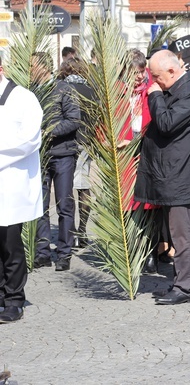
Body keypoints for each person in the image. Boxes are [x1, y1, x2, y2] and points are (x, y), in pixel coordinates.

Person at [134, 50, 190, 305]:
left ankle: (187, 287)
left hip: (181, 175)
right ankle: (180, 282)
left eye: (157, 77)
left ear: (172, 71)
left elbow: (166, 123)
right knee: (178, 233)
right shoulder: (179, 88)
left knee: (183, 234)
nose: (154, 82)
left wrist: (154, 94)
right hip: (172, 174)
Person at [0, 55, 44, 323]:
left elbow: (29, 139)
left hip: (12, 184)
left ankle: (14, 298)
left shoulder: (24, 98)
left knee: (10, 244)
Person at [35, 53, 81, 272]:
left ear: (43, 68)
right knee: (40, 205)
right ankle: (42, 252)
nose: (29, 69)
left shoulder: (64, 89)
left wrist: (49, 132)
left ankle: (64, 252)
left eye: (32, 65)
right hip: (41, 155)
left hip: (63, 154)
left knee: (65, 205)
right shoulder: (32, 91)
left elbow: (74, 119)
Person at [59, 58, 96, 249]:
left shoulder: (64, 89)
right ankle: (82, 230)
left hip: (68, 142)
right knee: (83, 186)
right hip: (87, 142)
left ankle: (71, 231)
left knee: (67, 188)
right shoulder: (91, 90)